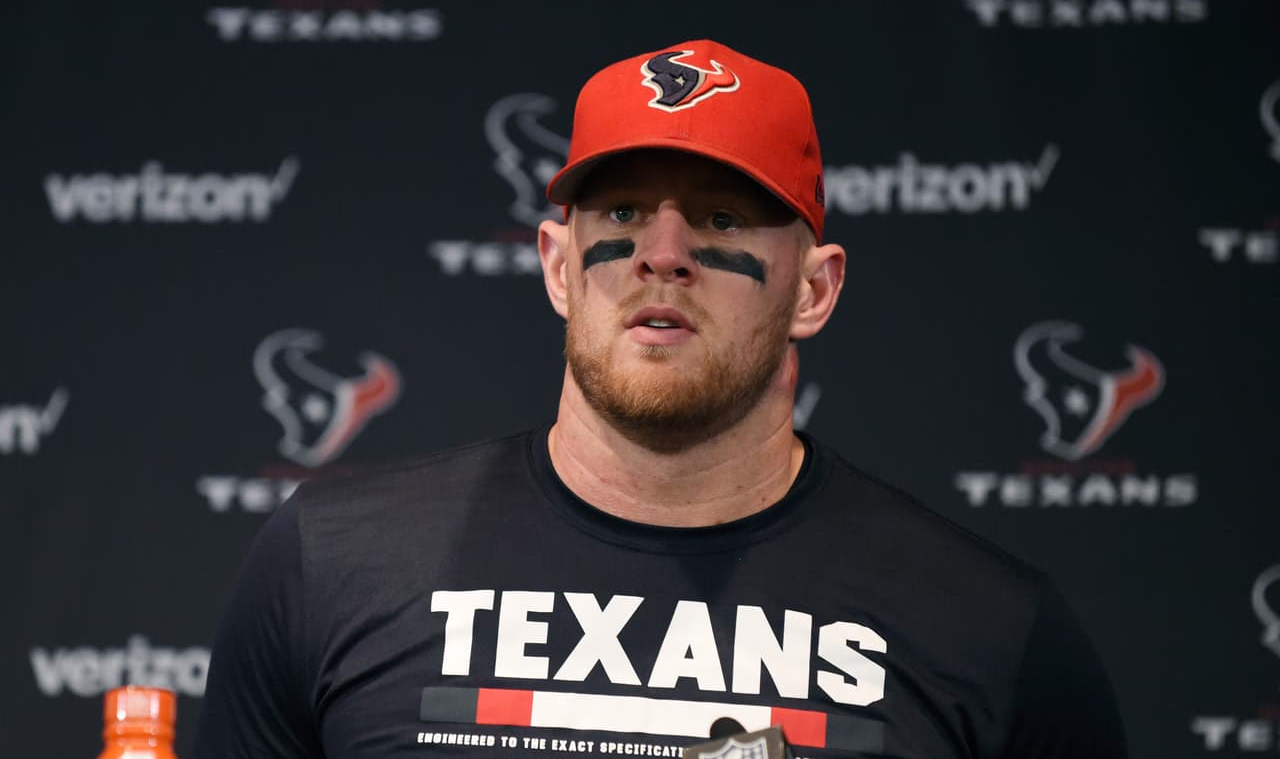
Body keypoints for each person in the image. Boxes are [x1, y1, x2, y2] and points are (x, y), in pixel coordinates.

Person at [195, 39, 1127, 758]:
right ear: (559, 266)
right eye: (624, 213)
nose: (664, 252)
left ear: (814, 289)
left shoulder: (993, 627)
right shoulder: (329, 562)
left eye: (721, 216)